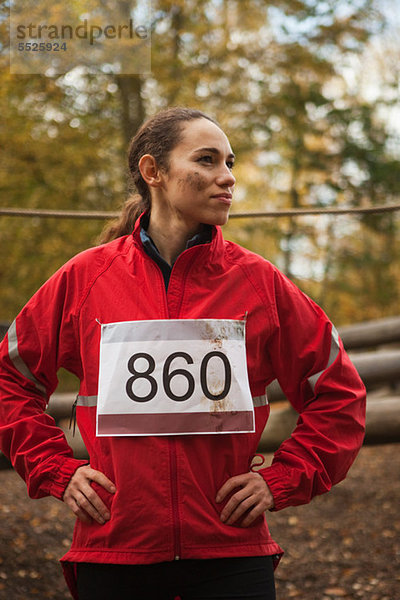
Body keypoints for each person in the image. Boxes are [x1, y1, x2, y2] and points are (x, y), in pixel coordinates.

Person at [0, 107, 366, 600]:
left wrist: (283, 478)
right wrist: (56, 471)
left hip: (231, 555)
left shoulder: (259, 283)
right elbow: (8, 380)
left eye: (229, 162)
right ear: (154, 172)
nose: (228, 177)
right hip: (114, 549)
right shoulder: (85, 279)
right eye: (208, 160)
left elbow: (339, 393)